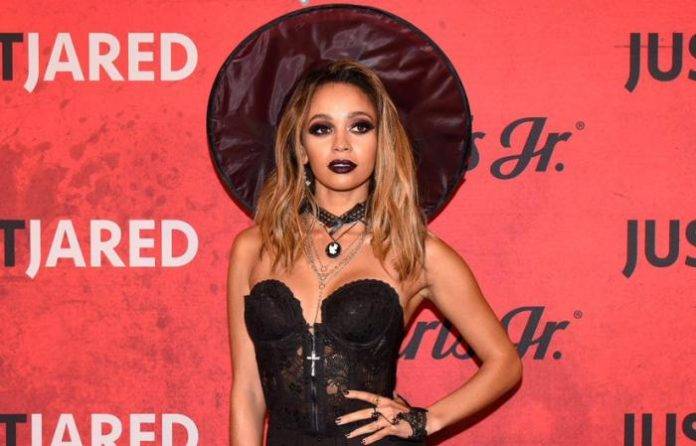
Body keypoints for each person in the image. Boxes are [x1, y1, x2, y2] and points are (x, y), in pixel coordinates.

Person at [226, 59, 522, 445]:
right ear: (301, 148)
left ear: (382, 143)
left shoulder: (415, 251)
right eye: (321, 128)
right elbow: (248, 392)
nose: (341, 144)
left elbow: (505, 363)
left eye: (360, 126)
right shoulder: (253, 248)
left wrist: (426, 420)